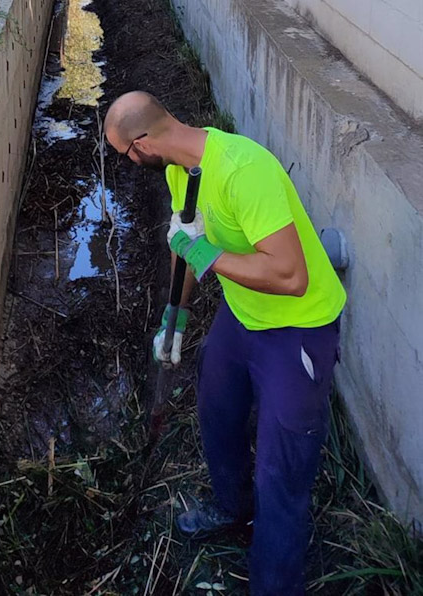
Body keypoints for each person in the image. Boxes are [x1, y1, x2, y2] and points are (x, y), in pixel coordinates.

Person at [104, 91, 346, 596]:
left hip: (297, 328)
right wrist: (177, 312)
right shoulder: (179, 171)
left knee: (282, 474)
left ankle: (273, 584)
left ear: (143, 141)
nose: (127, 163)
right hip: (243, 317)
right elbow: (185, 241)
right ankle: (232, 508)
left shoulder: (243, 170)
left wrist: (210, 255)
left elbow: (291, 274)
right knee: (217, 403)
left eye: (124, 153)